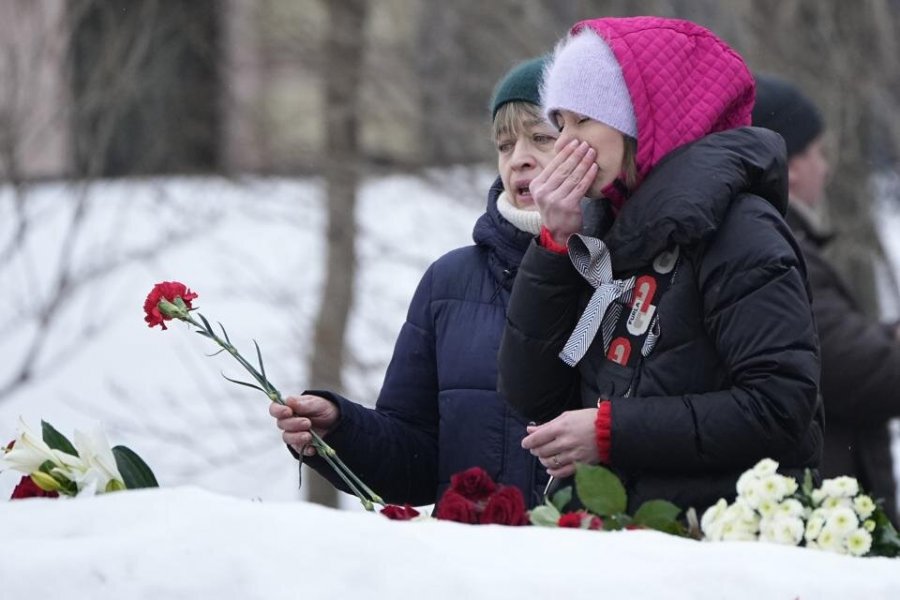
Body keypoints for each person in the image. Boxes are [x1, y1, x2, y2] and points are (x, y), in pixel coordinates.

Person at [497, 17, 824, 515]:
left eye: (583, 121)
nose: (565, 145)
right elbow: (531, 395)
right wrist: (554, 245)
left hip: (721, 546)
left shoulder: (740, 228)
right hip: (630, 541)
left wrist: (611, 432)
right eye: (559, 124)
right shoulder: (608, 232)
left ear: (642, 122)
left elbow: (779, 409)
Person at [269, 57, 559, 508]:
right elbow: (415, 462)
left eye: (541, 138)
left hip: (593, 564)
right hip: (473, 567)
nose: (519, 158)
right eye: (504, 145)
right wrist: (339, 431)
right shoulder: (449, 282)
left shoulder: (622, 274)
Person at [753, 74, 899, 526]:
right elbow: (856, 372)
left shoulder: (782, 241)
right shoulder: (782, 250)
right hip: (829, 514)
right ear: (791, 166)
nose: (826, 167)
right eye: (817, 152)